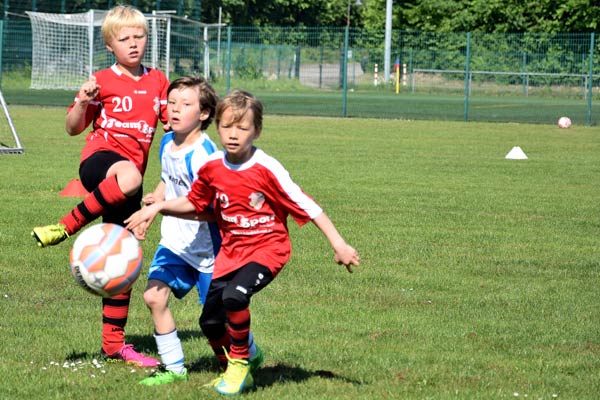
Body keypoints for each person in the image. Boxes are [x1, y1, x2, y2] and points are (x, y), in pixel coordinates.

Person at [125, 89, 360, 395]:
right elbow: (195, 203)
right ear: (217, 126)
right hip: (231, 252)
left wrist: (339, 244)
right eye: (227, 126)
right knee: (211, 323)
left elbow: (307, 205)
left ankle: (239, 364)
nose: (233, 134)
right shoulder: (212, 167)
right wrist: (158, 207)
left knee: (234, 297)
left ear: (257, 131)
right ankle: (238, 370)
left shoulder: (267, 168)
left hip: (267, 250)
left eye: (242, 128)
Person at [31, 5, 170, 368]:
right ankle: (65, 226)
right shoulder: (101, 81)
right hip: (100, 162)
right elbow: (72, 128)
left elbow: (173, 132)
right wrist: (82, 100)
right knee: (130, 176)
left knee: (124, 258)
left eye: (139, 36)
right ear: (110, 45)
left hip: (128, 184)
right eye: (124, 39)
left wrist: (161, 191)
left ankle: (113, 345)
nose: (133, 43)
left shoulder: (158, 81)